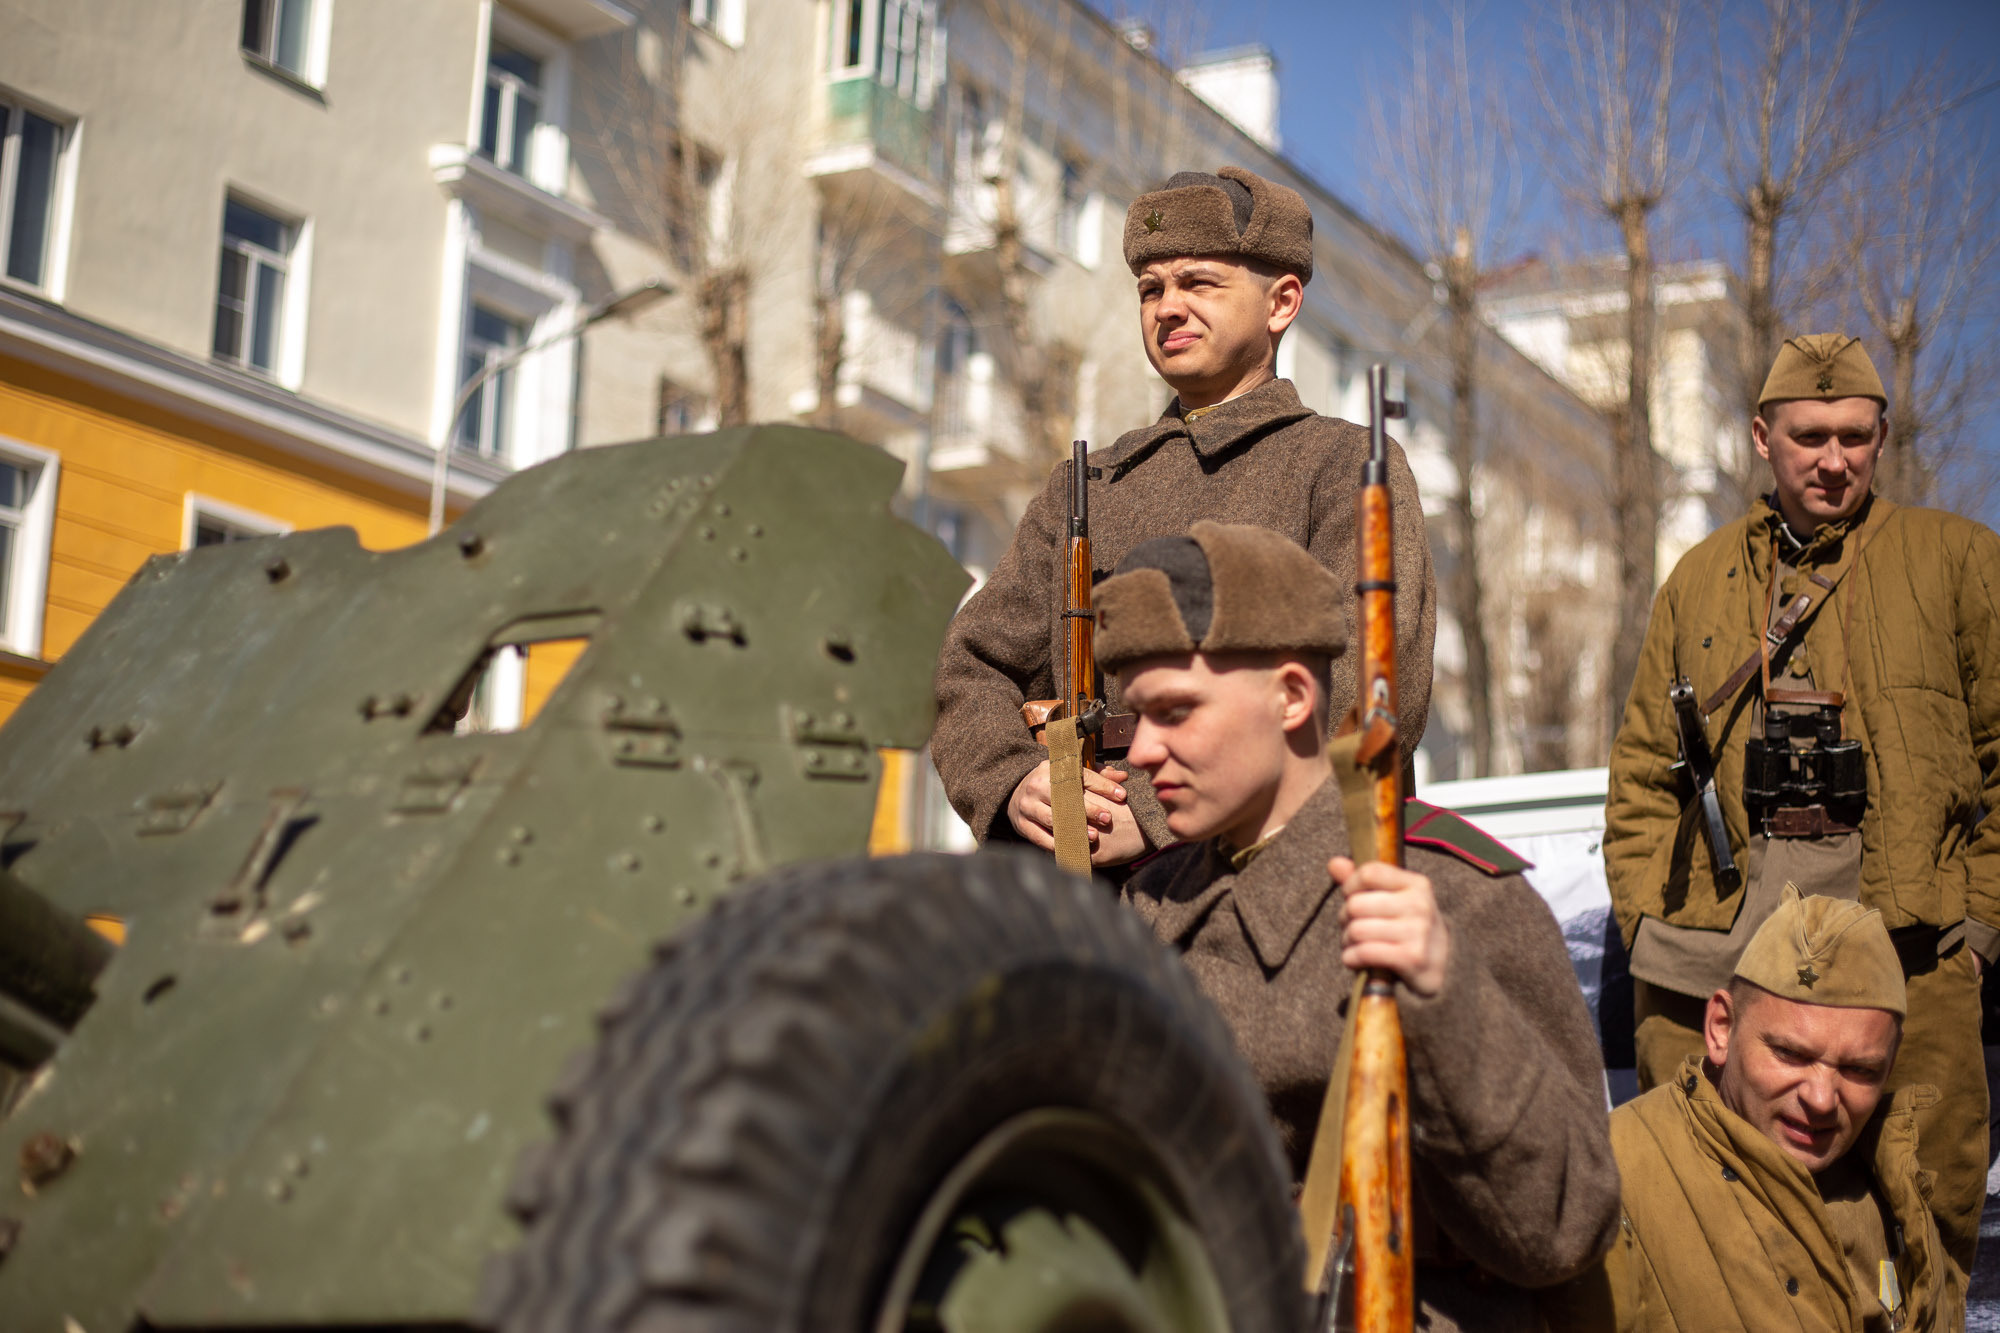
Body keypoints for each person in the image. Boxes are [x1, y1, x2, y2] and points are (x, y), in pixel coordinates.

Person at [1097, 520, 1617, 1330]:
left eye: (1175, 711)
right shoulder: (1152, 905)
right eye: (1138, 716)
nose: (1141, 753)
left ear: (1293, 696)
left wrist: (1448, 998)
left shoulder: (1453, 894)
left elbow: (1566, 1223)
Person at [1604, 332, 2000, 1273]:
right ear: (1760, 436)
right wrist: (1647, 923)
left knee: (1923, 1224)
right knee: (1716, 1236)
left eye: (1856, 437)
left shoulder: (1958, 562)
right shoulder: (1696, 579)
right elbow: (1642, 774)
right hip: (1723, 963)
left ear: (1882, 435)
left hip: (1912, 959)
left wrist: (1979, 925)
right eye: (1810, 435)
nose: (1833, 460)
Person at [930, 166, 1436, 870]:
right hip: (1096, 901)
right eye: (1150, 289)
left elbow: (1368, 691)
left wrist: (1153, 810)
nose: (1168, 307)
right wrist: (1012, 781)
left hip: (1279, 889)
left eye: (1199, 283)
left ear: (1281, 302)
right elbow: (970, 666)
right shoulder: (1088, 486)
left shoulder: (1344, 466)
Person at [1544, 887, 1959, 1331]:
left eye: (1859, 1069)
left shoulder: (1894, 1171)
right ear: (1721, 1029)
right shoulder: (1606, 1173)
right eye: (1791, 1054)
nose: (1821, 1099)